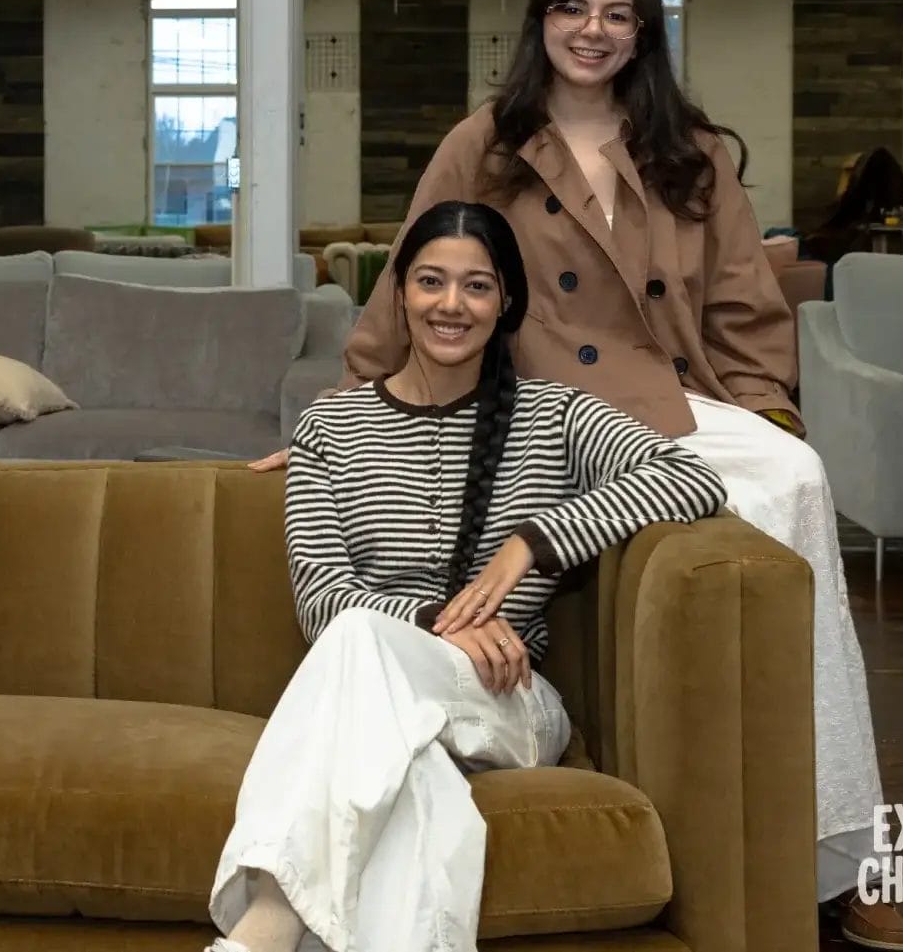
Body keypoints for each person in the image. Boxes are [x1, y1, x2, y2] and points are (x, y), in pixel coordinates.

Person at [251, 0, 903, 950]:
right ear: (541, 20)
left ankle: (838, 848)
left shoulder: (687, 148)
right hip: (541, 396)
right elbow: (417, 266)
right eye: (572, 9)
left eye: (615, 14)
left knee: (797, 477)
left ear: (642, 32)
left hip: (672, 394)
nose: (591, 31)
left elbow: (738, 291)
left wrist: (764, 405)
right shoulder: (489, 138)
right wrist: (350, 412)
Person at [210, 200, 727, 952]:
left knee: (363, 640)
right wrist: (442, 623)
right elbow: (323, 602)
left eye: (476, 286)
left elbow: (691, 476)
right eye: (431, 282)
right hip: (382, 690)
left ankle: (268, 920)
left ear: (506, 301)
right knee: (413, 776)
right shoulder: (332, 426)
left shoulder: (557, 416)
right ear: (400, 295)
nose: (452, 305)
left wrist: (534, 540)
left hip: (510, 698)